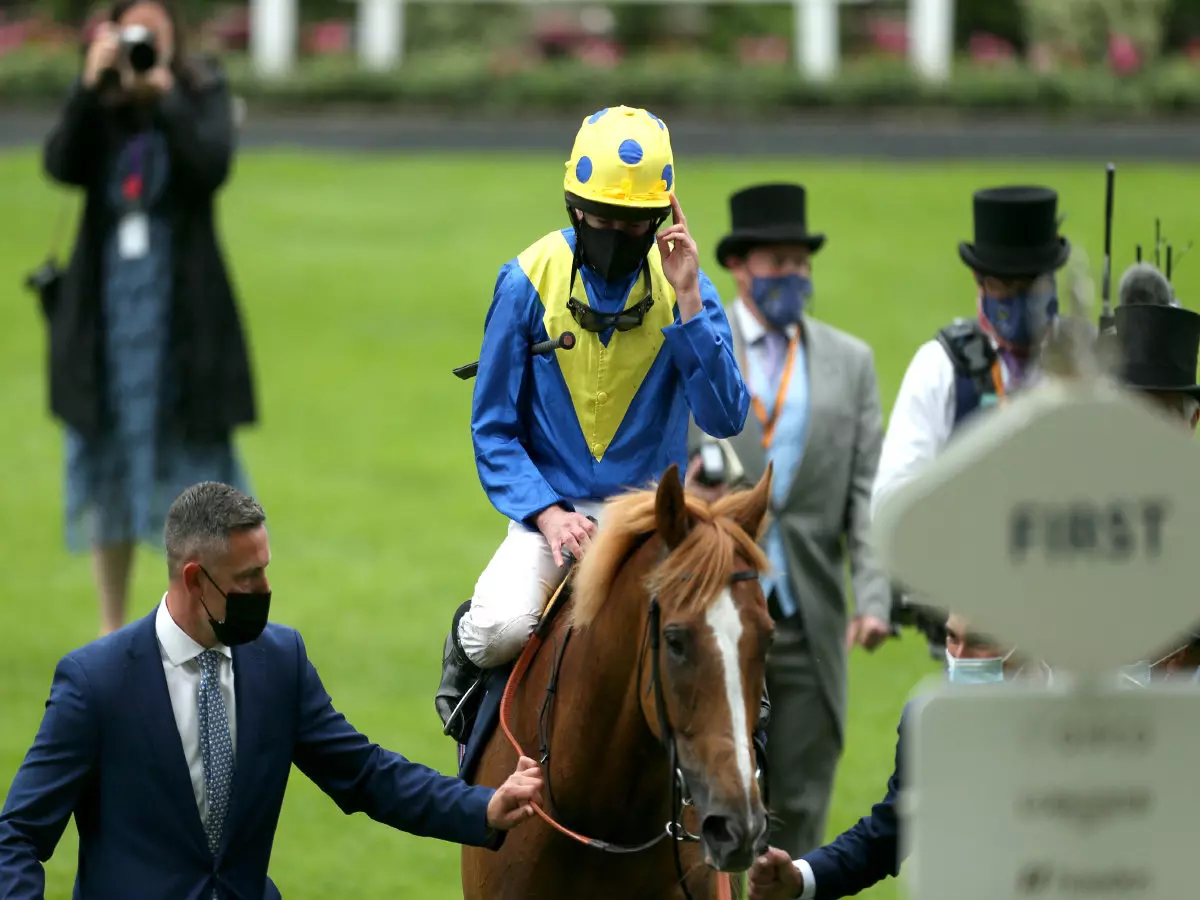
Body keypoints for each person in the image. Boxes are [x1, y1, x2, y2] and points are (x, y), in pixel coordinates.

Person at [0, 482, 544, 899]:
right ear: (194, 579)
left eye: (264, 570)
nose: (265, 590)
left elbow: (366, 775)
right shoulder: (96, 683)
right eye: (247, 578)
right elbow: (18, 835)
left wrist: (483, 806)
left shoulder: (279, 662)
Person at [435, 105, 753, 742]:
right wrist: (550, 515)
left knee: (730, 623)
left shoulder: (688, 285)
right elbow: (493, 429)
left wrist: (690, 300)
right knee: (502, 629)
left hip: (652, 517)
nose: (617, 234)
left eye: (634, 224)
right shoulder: (525, 281)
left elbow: (724, 415)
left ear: (660, 218)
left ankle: (751, 746)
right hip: (549, 517)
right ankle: (465, 675)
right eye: (602, 219)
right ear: (574, 208)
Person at [685, 182, 891, 859]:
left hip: (808, 619)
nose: (793, 276)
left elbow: (866, 492)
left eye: (801, 263)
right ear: (739, 266)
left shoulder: (850, 362)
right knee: (710, 806)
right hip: (717, 618)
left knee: (800, 805)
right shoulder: (698, 348)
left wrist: (873, 597)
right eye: (778, 262)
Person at [42, 0, 257, 638]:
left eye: (151, 33)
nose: (141, 45)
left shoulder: (199, 88)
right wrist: (89, 87)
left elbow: (210, 167)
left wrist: (164, 97)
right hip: (107, 313)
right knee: (107, 465)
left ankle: (198, 625)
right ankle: (112, 632)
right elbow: (60, 164)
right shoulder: (101, 99)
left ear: (173, 36)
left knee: (193, 475)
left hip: (182, 316)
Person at [874, 186, 1070, 658]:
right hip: (972, 629)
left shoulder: (1085, 364)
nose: (1020, 301)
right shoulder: (940, 366)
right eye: (1006, 287)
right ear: (981, 284)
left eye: (1031, 286)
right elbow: (891, 502)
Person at [746, 608, 1050, 900]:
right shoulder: (931, 721)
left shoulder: (1076, 721)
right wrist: (800, 879)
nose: (959, 658)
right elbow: (891, 832)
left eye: (980, 642)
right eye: (952, 638)